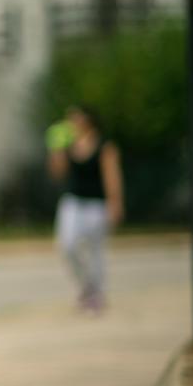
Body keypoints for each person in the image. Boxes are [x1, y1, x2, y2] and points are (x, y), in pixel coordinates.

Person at [45, 104, 124, 313]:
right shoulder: (68, 145)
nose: (71, 122)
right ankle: (87, 287)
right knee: (67, 246)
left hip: (97, 204)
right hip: (72, 202)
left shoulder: (103, 145)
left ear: (87, 120)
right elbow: (57, 173)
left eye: (75, 117)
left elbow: (111, 175)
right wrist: (56, 150)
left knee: (95, 250)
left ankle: (96, 294)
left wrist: (115, 202)